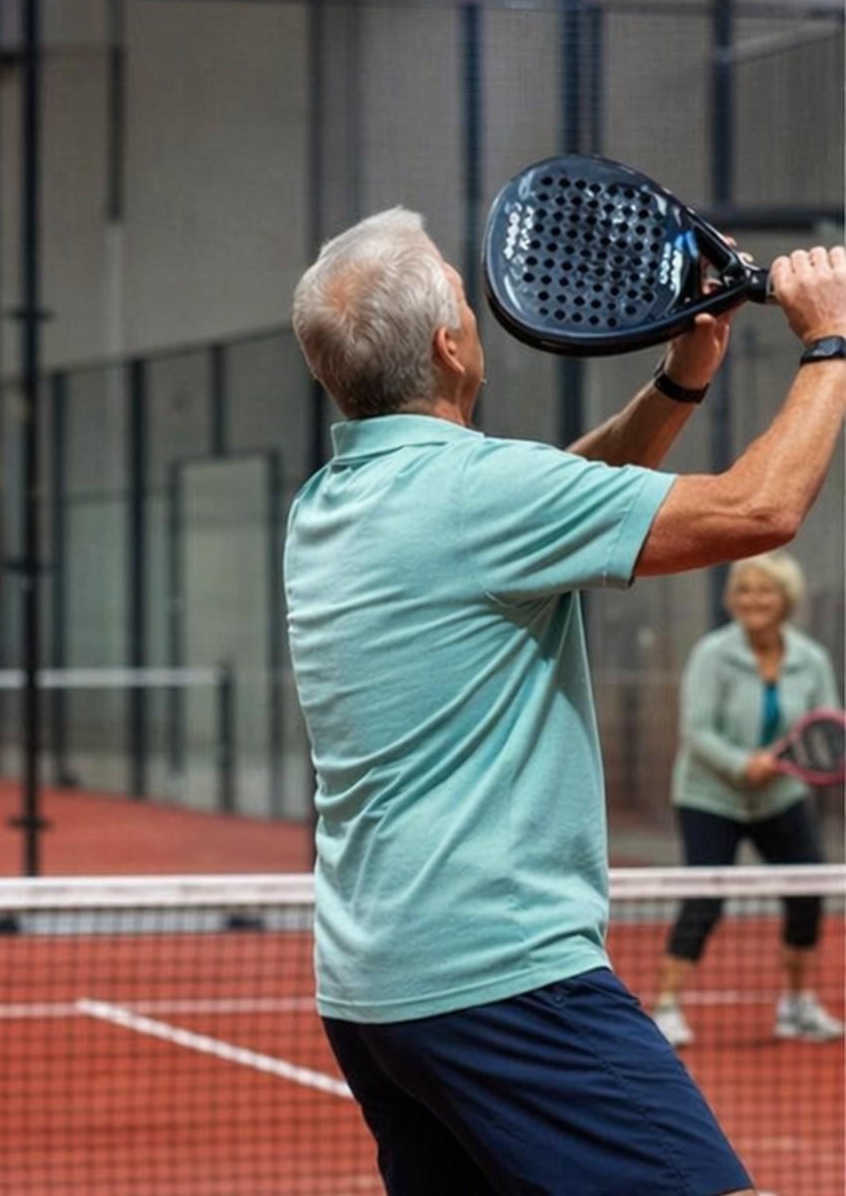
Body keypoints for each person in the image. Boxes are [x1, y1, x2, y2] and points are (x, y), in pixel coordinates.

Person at [285, 207, 846, 1195]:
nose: (471, 303)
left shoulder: (330, 503)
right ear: (449, 345)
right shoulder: (476, 496)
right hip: (504, 982)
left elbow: (563, 495)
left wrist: (682, 378)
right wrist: (829, 342)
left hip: (372, 992)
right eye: (460, 291)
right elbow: (761, 510)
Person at [651, 551, 843, 1048]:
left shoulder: (810, 659)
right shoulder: (713, 654)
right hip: (709, 795)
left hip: (781, 794)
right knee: (704, 901)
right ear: (732, 599)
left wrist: (774, 767)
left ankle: (797, 1007)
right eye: (745, 590)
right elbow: (696, 731)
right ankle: (666, 1010)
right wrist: (743, 763)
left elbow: (826, 725)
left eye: (765, 591)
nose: (753, 600)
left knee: (807, 892)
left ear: (785, 600)